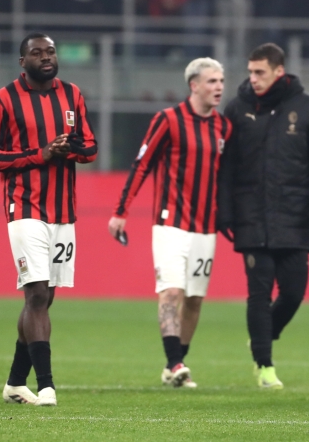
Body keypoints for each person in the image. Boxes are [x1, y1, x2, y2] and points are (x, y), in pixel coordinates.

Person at [0, 33, 97, 406]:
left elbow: (90, 146)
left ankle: (15, 383)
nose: (45, 57)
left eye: (50, 52)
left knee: (46, 298)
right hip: (24, 205)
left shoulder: (73, 94)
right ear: (22, 61)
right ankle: (46, 385)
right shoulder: (3, 99)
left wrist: (72, 149)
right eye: (37, 53)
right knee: (36, 292)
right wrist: (39, 154)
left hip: (64, 211)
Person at [109, 58, 232, 389]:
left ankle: (175, 363)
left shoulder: (223, 126)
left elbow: (223, 178)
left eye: (221, 81)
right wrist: (121, 211)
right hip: (170, 222)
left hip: (205, 227)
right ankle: (176, 362)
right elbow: (141, 164)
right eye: (211, 81)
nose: (219, 87)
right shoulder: (168, 120)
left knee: (194, 299)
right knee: (171, 292)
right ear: (193, 85)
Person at [217, 43, 309, 389]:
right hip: (252, 216)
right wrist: (225, 211)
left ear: (279, 71)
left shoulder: (308, 110)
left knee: (294, 292)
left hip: (295, 217)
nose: (253, 79)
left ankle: (264, 335)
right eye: (250, 72)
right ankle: (264, 366)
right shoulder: (236, 109)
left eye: (260, 72)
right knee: (258, 294)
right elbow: (227, 168)